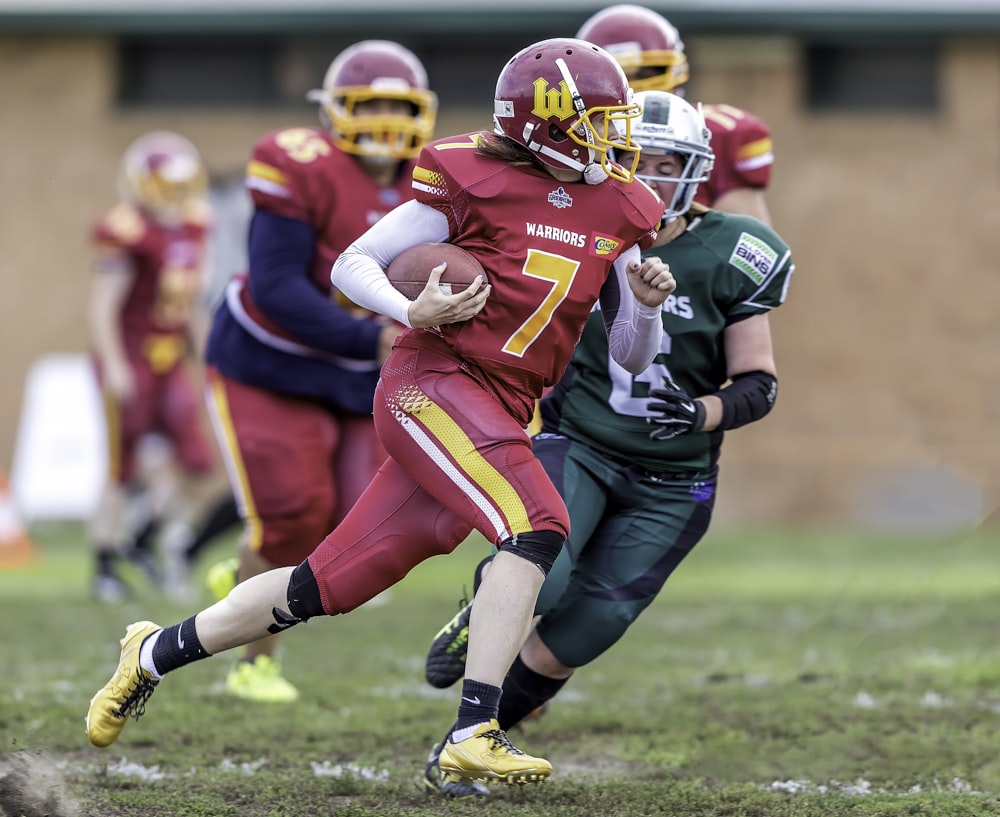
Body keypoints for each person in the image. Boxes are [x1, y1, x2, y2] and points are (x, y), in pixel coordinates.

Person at [85, 37, 676, 790]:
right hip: (432, 380)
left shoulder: (622, 204)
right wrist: (411, 307)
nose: (613, 138)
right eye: (596, 120)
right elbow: (351, 263)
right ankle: (475, 729)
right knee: (537, 523)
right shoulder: (471, 173)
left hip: (501, 403)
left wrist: (649, 311)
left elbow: (629, 352)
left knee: (322, 585)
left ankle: (153, 651)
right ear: (543, 123)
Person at [421, 89, 794, 796]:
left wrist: (700, 412)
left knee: (588, 627)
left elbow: (760, 382)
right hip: (581, 440)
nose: (648, 175)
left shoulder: (735, 251)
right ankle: (476, 656)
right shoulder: (585, 226)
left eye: (664, 163)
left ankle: (470, 740)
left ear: (697, 171)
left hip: (674, 478)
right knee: (546, 572)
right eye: (632, 160)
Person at [194, 39, 438, 704]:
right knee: (290, 518)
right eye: (371, 105)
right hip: (270, 361)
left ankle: (244, 568)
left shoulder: (436, 178)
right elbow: (276, 286)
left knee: (355, 530)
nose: (386, 120)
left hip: (356, 367)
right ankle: (255, 662)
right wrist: (375, 335)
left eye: (399, 106)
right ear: (334, 111)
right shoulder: (297, 161)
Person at [87, 130, 219, 604]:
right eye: (164, 184)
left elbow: (192, 306)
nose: (173, 196)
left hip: (168, 362)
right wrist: (116, 365)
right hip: (129, 360)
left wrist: (209, 358)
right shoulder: (127, 230)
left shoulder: (196, 225)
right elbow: (103, 307)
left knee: (198, 462)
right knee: (120, 467)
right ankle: (103, 563)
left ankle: (142, 541)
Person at [576, 3, 775, 225]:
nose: (629, 87)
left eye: (645, 73)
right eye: (616, 76)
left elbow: (744, 247)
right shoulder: (564, 137)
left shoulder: (713, 132)